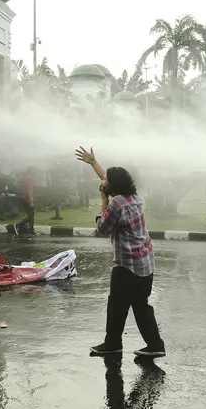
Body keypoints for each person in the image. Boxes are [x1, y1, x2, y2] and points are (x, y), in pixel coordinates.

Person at [76, 147, 165, 358]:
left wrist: (103, 199)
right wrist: (93, 163)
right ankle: (155, 345)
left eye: (106, 183)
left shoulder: (116, 202)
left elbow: (104, 227)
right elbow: (108, 177)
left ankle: (113, 344)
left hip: (127, 266)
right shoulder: (134, 197)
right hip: (145, 264)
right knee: (141, 306)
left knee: (117, 306)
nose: (103, 183)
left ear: (112, 187)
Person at [16, 166, 36, 234]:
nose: (34, 172)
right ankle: (31, 230)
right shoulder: (29, 179)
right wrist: (31, 201)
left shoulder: (24, 178)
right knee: (31, 216)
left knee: (30, 215)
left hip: (23, 197)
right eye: (33, 170)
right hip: (27, 198)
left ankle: (19, 225)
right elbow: (29, 191)